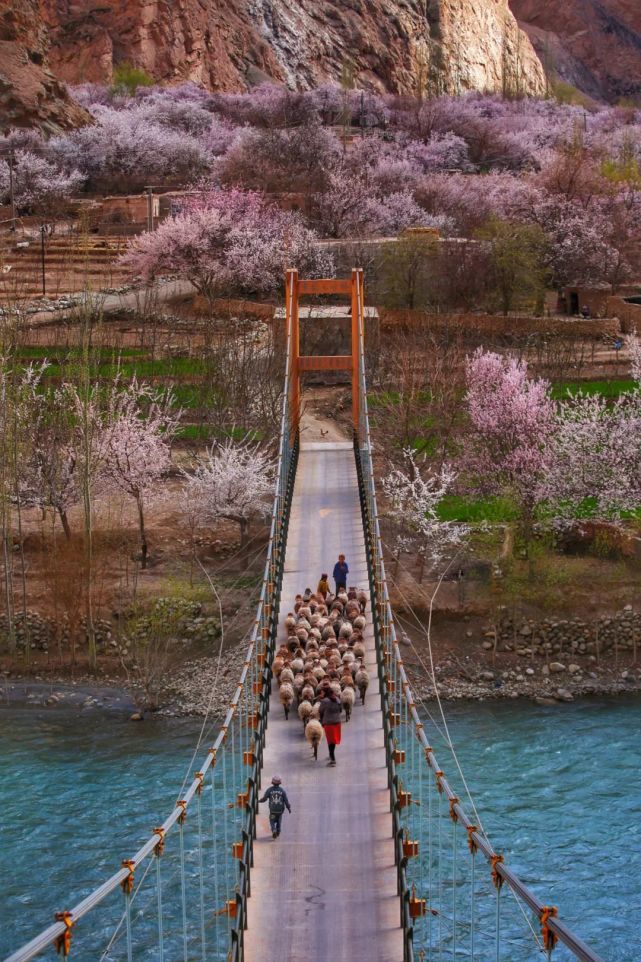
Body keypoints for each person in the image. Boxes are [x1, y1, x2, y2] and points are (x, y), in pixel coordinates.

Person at [319, 688, 342, 766]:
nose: (321, 694)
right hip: (337, 722)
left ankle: (333, 760)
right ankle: (331, 755)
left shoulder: (325, 701)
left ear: (326, 693)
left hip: (329, 723)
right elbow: (341, 710)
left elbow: (320, 710)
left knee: (330, 741)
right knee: (333, 740)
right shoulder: (337, 699)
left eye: (322, 693)